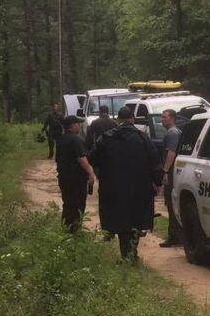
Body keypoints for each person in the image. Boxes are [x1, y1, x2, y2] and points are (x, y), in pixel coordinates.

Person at [91, 106, 162, 262]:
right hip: (139, 186)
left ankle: (127, 254)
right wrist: (158, 182)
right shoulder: (143, 138)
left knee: (120, 219)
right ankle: (131, 254)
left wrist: (102, 173)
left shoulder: (105, 138)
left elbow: (93, 159)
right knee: (136, 218)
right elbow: (155, 161)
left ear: (118, 120)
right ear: (132, 119)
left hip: (113, 186)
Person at [54, 115, 96, 235]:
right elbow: (81, 158)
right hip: (76, 180)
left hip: (64, 178)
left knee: (68, 204)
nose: (79, 125)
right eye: (77, 123)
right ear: (72, 125)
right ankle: (75, 231)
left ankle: (66, 230)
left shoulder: (61, 139)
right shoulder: (76, 139)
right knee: (78, 206)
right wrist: (91, 174)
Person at [157, 108, 183, 247]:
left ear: (172, 118)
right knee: (170, 203)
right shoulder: (174, 132)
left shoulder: (172, 133)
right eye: (162, 117)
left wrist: (165, 171)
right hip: (173, 172)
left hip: (172, 173)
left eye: (165, 117)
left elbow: (171, 153)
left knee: (171, 203)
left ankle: (175, 236)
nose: (162, 119)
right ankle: (175, 235)